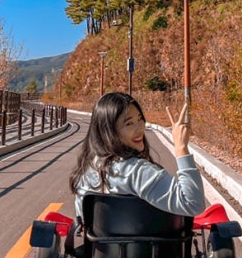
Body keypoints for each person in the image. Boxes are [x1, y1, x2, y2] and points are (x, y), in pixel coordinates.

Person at [69, 92, 206, 220]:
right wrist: (181, 148)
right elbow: (193, 203)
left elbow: (82, 220)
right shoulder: (137, 172)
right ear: (109, 131)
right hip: (151, 245)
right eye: (129, 123)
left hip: (101, 246)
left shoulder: (86, 171)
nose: (140, 128)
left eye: (140, 119)